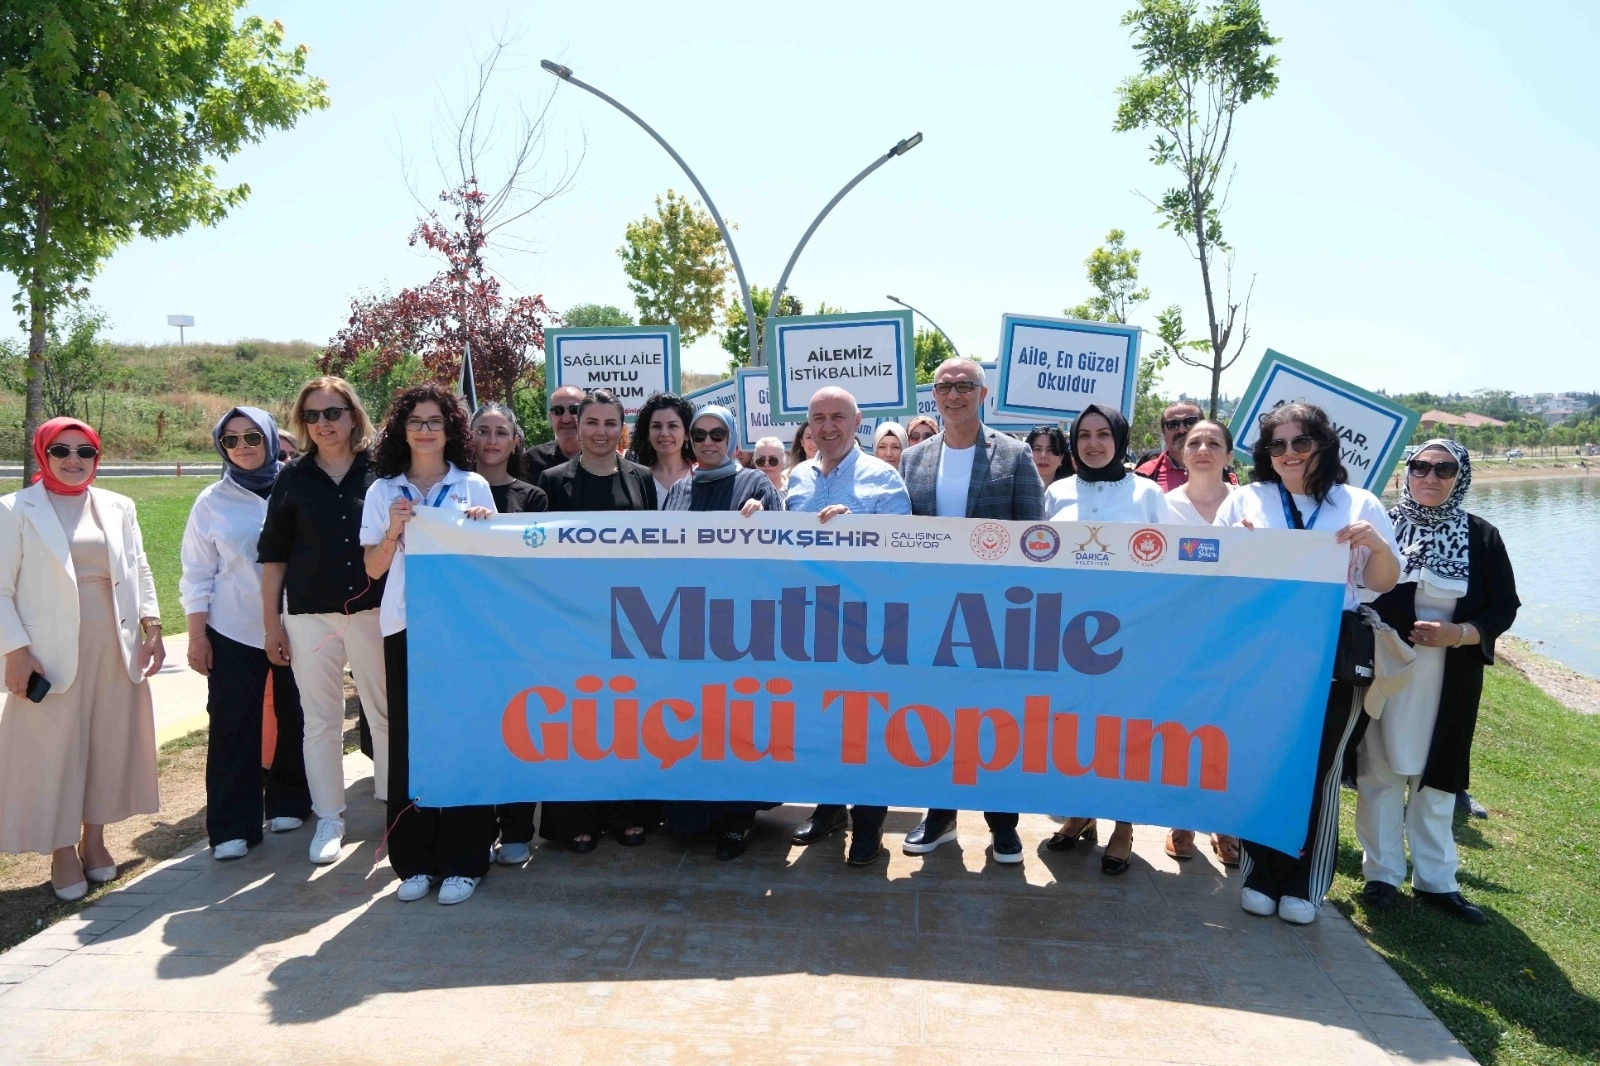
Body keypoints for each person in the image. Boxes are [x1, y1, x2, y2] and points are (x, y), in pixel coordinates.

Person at [1214, 402, 1401, 925]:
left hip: (1333, 647)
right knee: (1262, 760)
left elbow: (1383, 582)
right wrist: (1235, 547)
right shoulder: (1244, 500)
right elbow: (1217, 575)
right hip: (1262, 646)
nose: (1289, 453)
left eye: (1301, 442)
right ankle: (1260, 873)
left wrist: (1376, 545)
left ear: (1322, 445)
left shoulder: (1358, 503)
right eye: (1277, 444)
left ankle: (1305, 881)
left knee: (1321, 766)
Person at [0, 418, 163, 900]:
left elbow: (139, 567)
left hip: (115, 645)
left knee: (106, 745)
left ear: (96, 456)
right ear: (43, 454)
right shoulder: (14, 509)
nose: (74, 460)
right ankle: (61, 849)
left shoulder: (118, 505)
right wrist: (15, 652)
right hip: (47, 654)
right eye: (61, 450)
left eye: (84, 451)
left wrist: (153, 626)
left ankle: (95, 838)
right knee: (53, 753)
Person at [1359, 440, 1519, 924]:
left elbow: (1503, 606)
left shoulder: (1481, 536)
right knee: (1380, 772)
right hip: (1388, 667)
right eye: (1421, 466)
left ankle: (1436, 881)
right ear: (1407, 472)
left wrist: (1461, 634)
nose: (1431, 477)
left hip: (1450, 676)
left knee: (1438, 778)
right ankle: (1382, 875)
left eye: (1445, 469)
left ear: (1460, 477)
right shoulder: (1383, 526)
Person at [899, 358, 1046, 866]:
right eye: (944, 387)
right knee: (940, 718)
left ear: (983, 394)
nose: (953, 394)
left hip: (997, 616)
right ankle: (940, 816)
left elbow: (1034, 538)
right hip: (932, 617)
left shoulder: (1015, 454)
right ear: (934, 396)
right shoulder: (913, 459)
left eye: (964, 386)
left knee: (996, 720)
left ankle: (1003, 825)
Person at [362, 384, 497, 905]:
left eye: (434, 421)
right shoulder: (383, 491)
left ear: (450, 430)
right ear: (402, 429)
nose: (424, 430)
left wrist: (483, 530)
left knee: (463, 738)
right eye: (415, 421)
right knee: (411, 744)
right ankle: (415, 861)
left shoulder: (472, 486)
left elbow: (491, 563)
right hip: (405, 626)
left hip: (462, 630)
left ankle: (466, 859)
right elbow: (373, 569)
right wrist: (393, 531)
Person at [258, 376, 389, 866]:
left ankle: (394, 811)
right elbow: (274, 557)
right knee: (320, 721)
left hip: (372, 610)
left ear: (353, 415)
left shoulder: (381, 470)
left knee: (384, 714)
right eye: (311, 416)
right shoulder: (292, 477)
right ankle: (330, 818)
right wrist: (272, 625)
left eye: (332, 413)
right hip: (309, 614)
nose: (322, 424)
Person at [785, 386, 912, 866]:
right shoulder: (797, 478)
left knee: (868, 728)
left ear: (857, 422)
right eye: (818, 417)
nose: (828, 426)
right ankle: (830, 808)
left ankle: (869, 824)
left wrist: (857, 527)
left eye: (838, 416)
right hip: (808, 626)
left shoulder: (884, 478)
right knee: (822, 724)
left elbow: (901, 555)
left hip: (867, 629)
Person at [1045, 404, 1171, 874]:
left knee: (1123, 729)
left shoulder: (1148, 493)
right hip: (1066, 632)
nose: (1093, 443)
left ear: (1119, 439)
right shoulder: (1057, 492)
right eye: (1083, 435)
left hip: (1129, 635)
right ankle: (1080, 813)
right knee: (1074, 726)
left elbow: (1170, 564)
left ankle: (1123, 825)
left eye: (1103, 434)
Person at [181, 407, 311, 861]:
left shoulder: (299, 486)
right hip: (232, 627)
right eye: (231, 440)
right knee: (232, 724)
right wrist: (196, 636)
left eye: (252, 437)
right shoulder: (212, 501)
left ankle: (290, 801)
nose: (242, 447)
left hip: (297, 622)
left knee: (297, 715)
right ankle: (232, 825)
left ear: (271, 439)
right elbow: (196, 572)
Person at [536, 389, 661, 850]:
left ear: (621, 429)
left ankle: (625, 812)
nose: (601, 432)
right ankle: (574, 817)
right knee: (573, 716)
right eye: (592, 422)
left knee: (624, 715)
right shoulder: (552, 481)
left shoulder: (642, 478)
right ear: (578, 425)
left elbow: (654, 547)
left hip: (628, 618)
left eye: (611, 423)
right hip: (570, 619)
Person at [661, 404, 783, 858]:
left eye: (718, 434)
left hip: (741, 631)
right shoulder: (679, 490)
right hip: (690, 628)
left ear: (732, 440)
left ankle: (739, 817)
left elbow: (780, 551)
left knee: (739, 722)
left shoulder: (755, 484)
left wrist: (765, 519)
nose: (708, 442)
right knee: (697, 721)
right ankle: (701, 810)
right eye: (700, 434)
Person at [1159, 419, 1240, 866]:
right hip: (1179, 636)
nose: (1203, 449)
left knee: (1226, 728)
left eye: (1213, 442)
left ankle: (1224, 822)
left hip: (1236, 635)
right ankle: (1181, 820)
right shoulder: (1162, 505)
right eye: (1194, 442)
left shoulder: (1250, 503)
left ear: (1229, 454)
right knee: (1182, 727)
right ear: (1180, 452)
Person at [470, 402, 548, 865]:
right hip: (466, 631)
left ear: (516, 441)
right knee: (477, 731)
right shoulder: (450, 494)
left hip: (519, 633)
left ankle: (517, 827)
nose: (492, 440)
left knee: (519, 728)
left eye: (501, 432)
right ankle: (477, 828)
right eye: (483, 430)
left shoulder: (533, 497)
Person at [627, 392, 696, 502]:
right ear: (648, 434)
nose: (664, 433)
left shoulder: (702, 476)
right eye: (657, 426)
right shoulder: (634, 479)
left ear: (687, 434)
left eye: (672, 426)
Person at [1135, 400, 1204, 491]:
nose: (1181, 430)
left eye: (1190, 422)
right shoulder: (1142, 476)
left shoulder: (1221, 471)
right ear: (1163, 431)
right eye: (1173, 424)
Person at [522, 384, 585, 482]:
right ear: (551, 417)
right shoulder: (531, 459)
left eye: (574, 410)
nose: (566, 419)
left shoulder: (602, 459)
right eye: (558, 411)